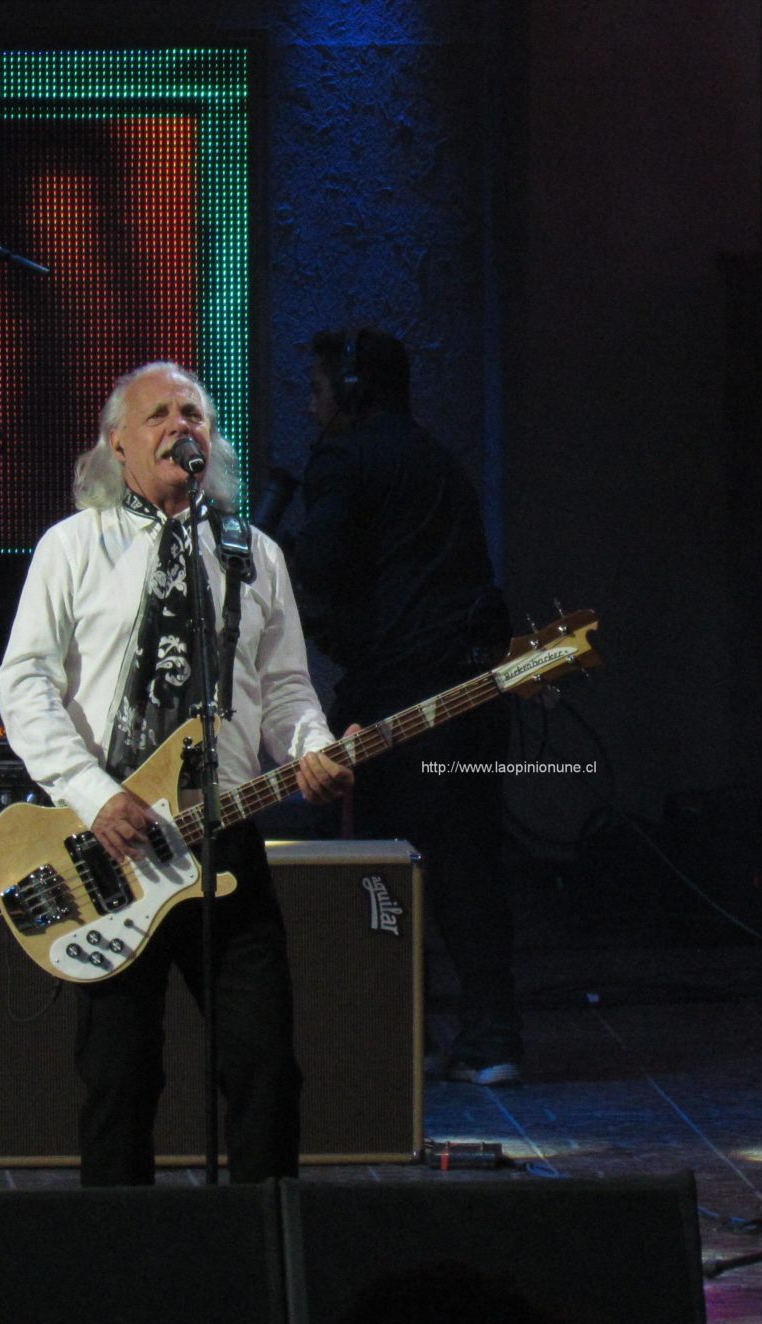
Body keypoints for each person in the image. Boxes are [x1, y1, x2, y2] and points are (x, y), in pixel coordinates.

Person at [0, 360, 351, 1185]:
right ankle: (125, 1274)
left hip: (225, 841)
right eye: (157, 413)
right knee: (121, 1079)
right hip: (114, 851)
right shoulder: (71, 547)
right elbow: (25, 686)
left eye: (193, 412)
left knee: (265, 1071)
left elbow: (287, 687)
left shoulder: (252, 552)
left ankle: (268, 1262)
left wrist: (311, 748)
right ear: (117, 443)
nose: (180, 425)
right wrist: (92, 795)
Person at [290, 327, 522, 1085]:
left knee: (367, 862)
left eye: (319, 389)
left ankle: (393, 1033)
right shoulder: (434, 457)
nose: (311, 405)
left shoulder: (344, 460)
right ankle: (491, 1039)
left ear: (349, 390)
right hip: (472, 690)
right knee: (467, 867)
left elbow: (317, 568)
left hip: (400, 700)